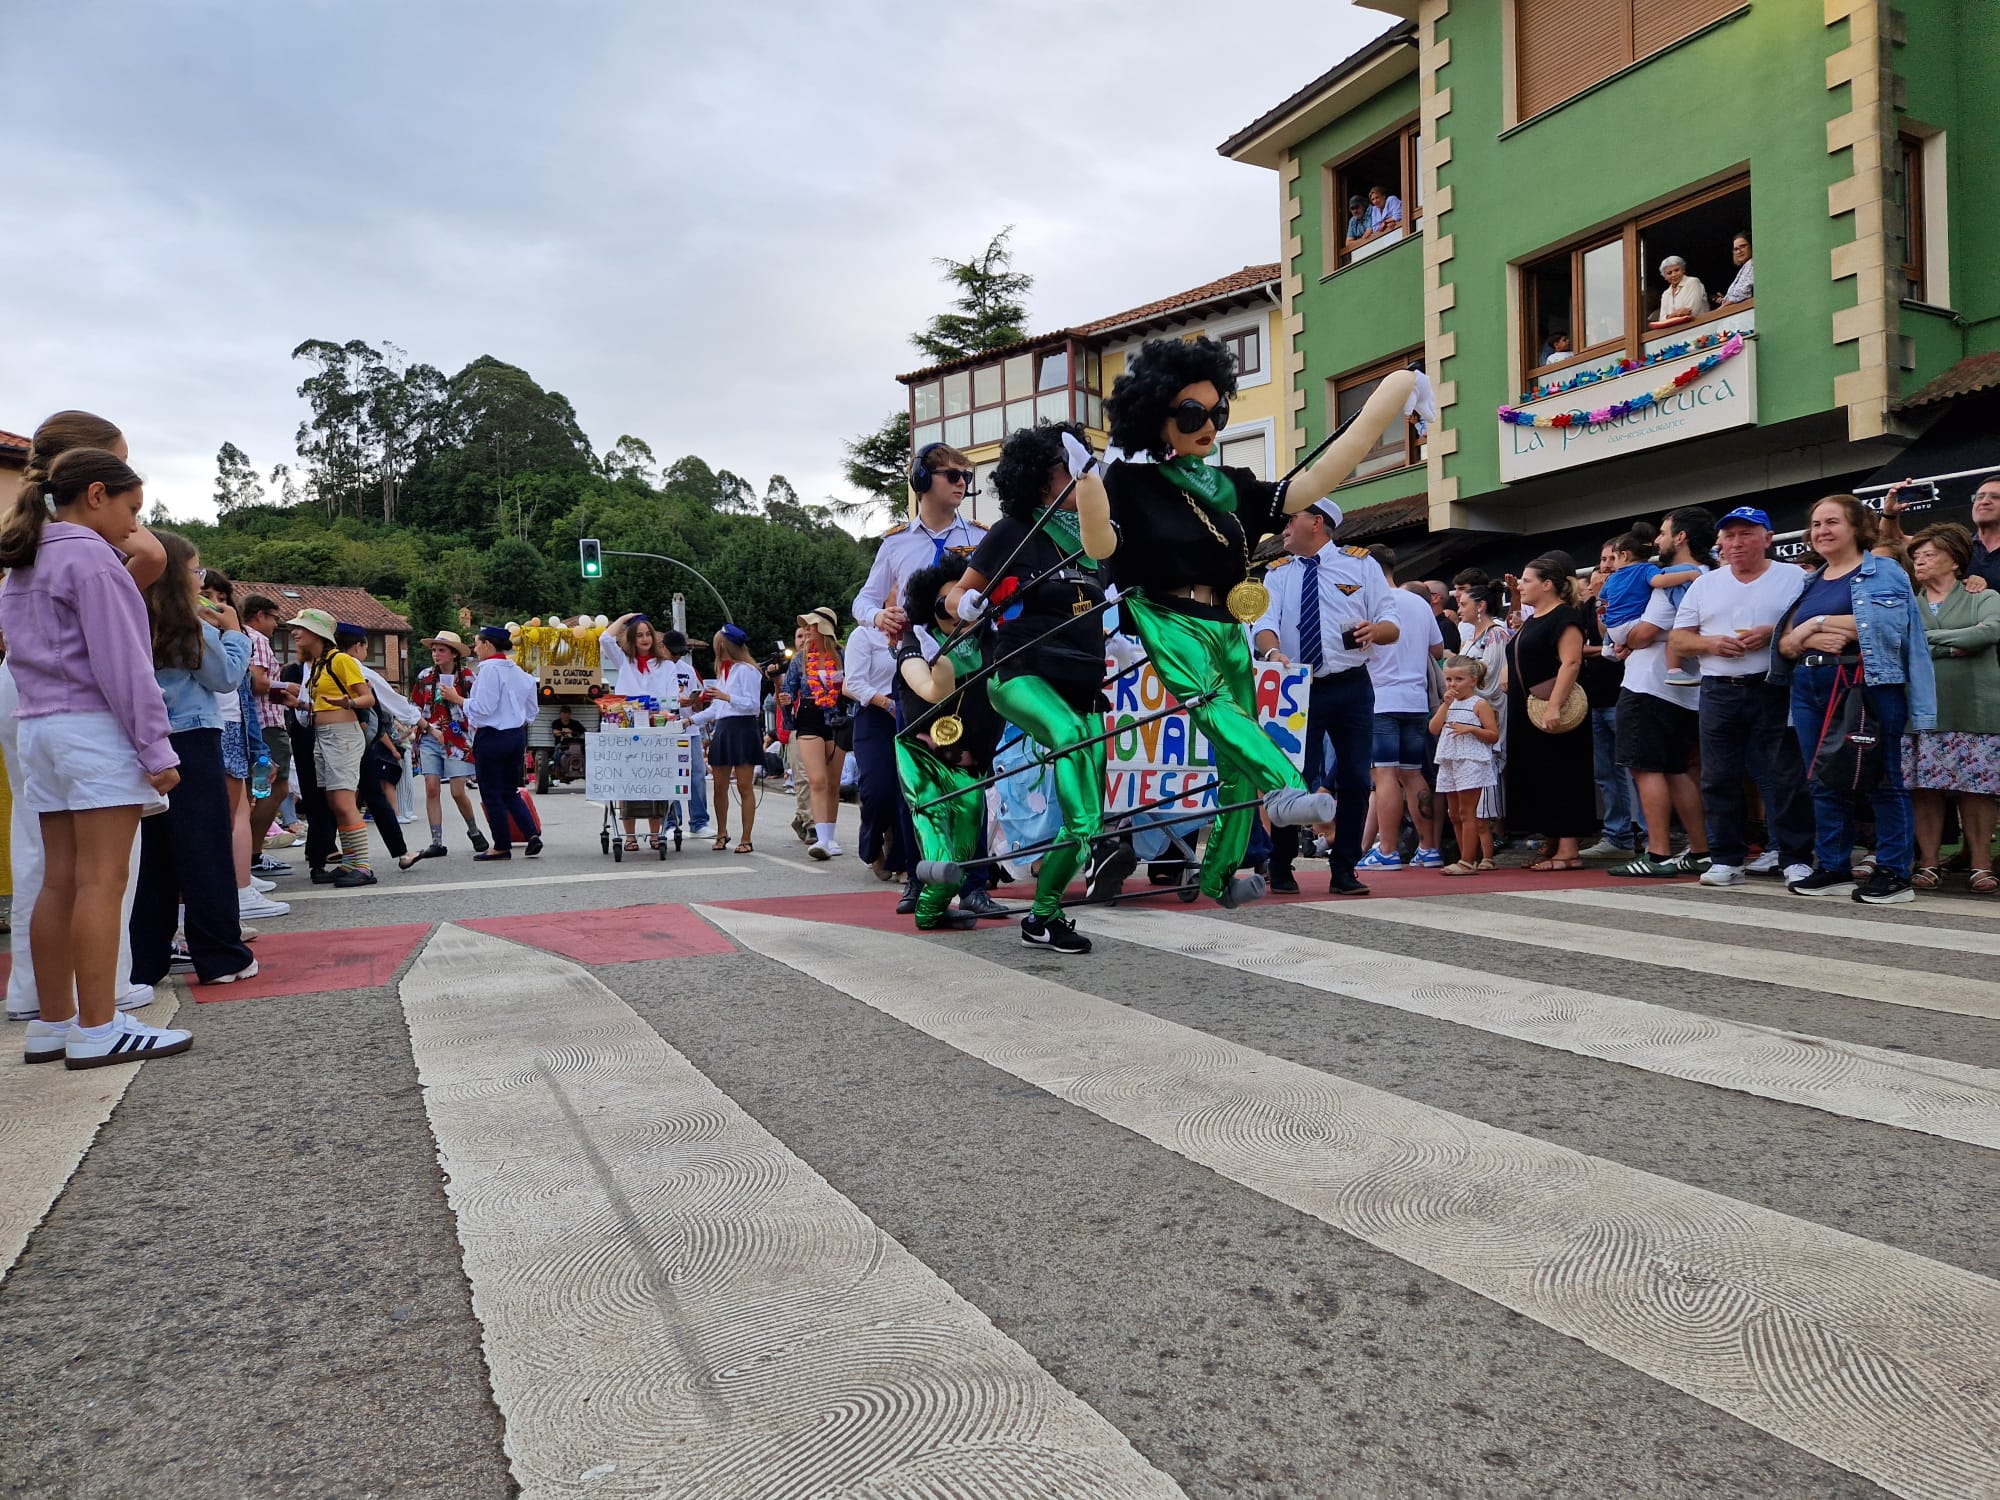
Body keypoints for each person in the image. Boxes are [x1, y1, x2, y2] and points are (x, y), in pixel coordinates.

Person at [1075, 335, 1415, 905]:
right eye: (1192, 413)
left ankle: (1218, 873)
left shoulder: (1228, 482)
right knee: (1211, 705)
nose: (1209, 423)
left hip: (1225, 622)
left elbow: (1311, 485)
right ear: (1155, 414)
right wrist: (1087, 488)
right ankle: (1284, 786)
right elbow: (1102, 546)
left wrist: (1388, 399)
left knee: (1235, 754)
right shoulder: (1128, 482)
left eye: (1218, 411)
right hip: (1162, 612)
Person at [0, 448, 192, 1065]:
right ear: (98, 494)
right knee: (102, 882)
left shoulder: (25, 561)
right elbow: (125, 666)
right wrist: (156, 748)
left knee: (57, 880)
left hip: (40, 729)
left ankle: (53, 1022)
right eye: (133, 510)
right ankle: (98, 1026)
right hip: (93, 730)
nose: (134, 526)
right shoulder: (93, 561)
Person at [952, 422, 1125, 952]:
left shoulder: (1098, 540)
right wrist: (962, 606)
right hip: (1020, 672)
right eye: (1067, 468)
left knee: (1088, 820)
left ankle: (1043, 918)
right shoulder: (1015, 531)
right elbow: (958, 595)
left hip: (1080, 684)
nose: (1079, 477)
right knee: (1072, 736)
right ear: (1040, 477)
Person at [1772, 495, 1936, 903]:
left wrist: (1816, 623)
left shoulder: (1884, 571)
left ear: (1856, 527)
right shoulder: (1810, 580)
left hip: (1867, 684)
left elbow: (1889, 622)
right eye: (1815, 524)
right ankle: (1834, 867)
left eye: (1832, 522)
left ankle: (1895, 874)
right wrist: (1807, 634)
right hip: (1810, 685)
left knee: (1883, 780)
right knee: (1823, 780)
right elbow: (1787, 645)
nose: (1821, 531)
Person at [1253, 499, 1401, 895]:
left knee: (1354, 778)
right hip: (1297, 685)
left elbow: (1391, 620)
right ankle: (1281, 865)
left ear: (1317, 523)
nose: (1284, 529)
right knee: (1291, 780)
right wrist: (1271, 653)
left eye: (1291, 520)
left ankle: (1344, 868)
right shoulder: (1277, 573)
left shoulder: (1360, 564)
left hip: (1351, 684)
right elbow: (1263, 625)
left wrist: (1376, 631)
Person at [132, 529, 258, 985]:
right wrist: (235, 632)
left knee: (155, 858)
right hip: (192, 738)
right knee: (204, 849)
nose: (200, 582)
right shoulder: (192, 624)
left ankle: (144, 960)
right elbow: (225, 677)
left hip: (145, 740)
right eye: (195, 571)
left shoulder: (131, 615)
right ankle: (222, 955)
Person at [1669, 506, 1815, 888]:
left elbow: (1812, 623)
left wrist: (1774, 631)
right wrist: (1710, 643)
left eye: (1746, 534)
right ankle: (1726, 857)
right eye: (1729, 536)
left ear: (1768, 538)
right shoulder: (1706, 584)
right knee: (1718, 776)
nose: (1736, 543)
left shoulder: (1794, 576)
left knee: (1786, 773)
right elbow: (1679, 640)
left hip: (1774, 684)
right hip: (1719, 688)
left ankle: (1795, 856)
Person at [894, 559, 1002, 932]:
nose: (958, 610)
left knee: (962, 855)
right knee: (944, 858)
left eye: (964, 599)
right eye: (946, 602)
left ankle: (934, 912)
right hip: (924, 762)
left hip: (968, 765)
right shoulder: (918, 641)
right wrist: (939, 674)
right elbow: (924, 685)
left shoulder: (990, 639)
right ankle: (929, 910)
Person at [1606, 508, 1715, 878]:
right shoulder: (1711, 576)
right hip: (1686, 689)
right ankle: (1700, 850)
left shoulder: (1671, 579)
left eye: (1665, 533)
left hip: (1648, 685)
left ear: (1681, 537)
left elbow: (1642, 633)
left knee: (1645, 767)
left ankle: (1658, 854)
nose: (1658, 541)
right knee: (1678, 770)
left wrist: (1624, 637)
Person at [1898, 523, 2000, 890]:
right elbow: (1902, 643)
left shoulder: (1982, 597)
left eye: (1929, 554)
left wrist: (1928, 643)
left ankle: (1981, 865)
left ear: (1954, 560)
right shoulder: (1909, 602)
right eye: (1917, 556)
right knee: (1924, 787)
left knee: (1977, 789)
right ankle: (1928, 862)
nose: (1920, 562)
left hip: (1974, 707)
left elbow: (1988, 632)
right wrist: (1954, 645)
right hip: (1922, 710)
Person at [1503, 552, 1597, 870]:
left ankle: (1569, 850)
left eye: (1527, 580)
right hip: (1527, 709)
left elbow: (1571, 662)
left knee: (1562, 773)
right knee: (1540, 774)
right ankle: (1554, 840)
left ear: (1547, 584)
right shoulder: (1533, 617)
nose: (1521, 585)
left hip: (1552, 710)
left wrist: (1554, 706)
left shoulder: (1565, 617)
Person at [1353, 548, 1444, 870]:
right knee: (1412, 772)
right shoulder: (1419, 602)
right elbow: (1437, 648)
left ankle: (1388, 851)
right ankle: (1429, 847)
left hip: (1381, 698)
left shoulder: (1367, 603)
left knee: (1385, 774)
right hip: (1416, 698)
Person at [288, 607, 382, 885]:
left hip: (342, 735)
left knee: (343, 800)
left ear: (318, 633)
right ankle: (351, 862)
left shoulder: (341, 660)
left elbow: (368, 699)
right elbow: (325, 703)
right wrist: (301, 705)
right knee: (333, 801)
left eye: (300, 628)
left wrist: (349, 703)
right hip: (325, 734)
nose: (294, 632)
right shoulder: (319, 663)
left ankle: (362, 866)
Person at [444, 626, 541, 861]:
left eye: (477, 644)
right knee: (509, 790)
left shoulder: (488, 670)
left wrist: (458, 699)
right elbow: (532, 711)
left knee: (491, 793)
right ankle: (531, 834)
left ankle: (501, 844)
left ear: (488, 645)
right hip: (515, 735)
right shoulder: (519, 672)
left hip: (492, 736)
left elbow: (483, 708)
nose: (475, 649)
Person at [333, 623, 417, 874]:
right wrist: (419, 719)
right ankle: (361, 862)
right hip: (352, 739)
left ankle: (322, 855)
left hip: (325, 738)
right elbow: (388, 699)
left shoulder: (317, 665)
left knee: (334, 799)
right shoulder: (354, 667)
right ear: (358, 646)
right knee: (364, 798)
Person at [404, 630, 490, 864]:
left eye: (441, 650)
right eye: (434, 650)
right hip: (430, 736)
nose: (436, 654)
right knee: (432, 787)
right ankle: (436, 841)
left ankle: (473, 830)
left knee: (457, 791)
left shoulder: (469, 678)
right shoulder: (424, 677)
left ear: (453, 654)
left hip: (458, 739)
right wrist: (423, 728)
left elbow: (478, 708)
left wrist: (456, 702)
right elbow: (414, 707)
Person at [598, 613, 676, 851]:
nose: (644, 639)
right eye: (639, 635)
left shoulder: (667, 666)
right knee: (627, 783)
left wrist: (659, 712)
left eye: (647, 635)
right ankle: (629, 836)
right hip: (627, 733)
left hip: (656, 732)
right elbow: (604, 639)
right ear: (632, 639)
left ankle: (655, 834)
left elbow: (671, 701)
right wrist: (626, 618)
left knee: (655, 783)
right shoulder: (625, 663)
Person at [842, 613, 910, 884]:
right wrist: (887, 704)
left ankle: (905, 860)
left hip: (910, 713)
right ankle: (872, 847)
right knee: (877, 790)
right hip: (874, 715)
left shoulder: (916, 633)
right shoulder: (864, 635)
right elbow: (853, 683)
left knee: (907, 791)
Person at [241, 594, 297, 875]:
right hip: (266, 727)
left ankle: (248, 854)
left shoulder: (241, 636)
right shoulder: (258, 640)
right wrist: (289, 687)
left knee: (263, 791)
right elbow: (258, 682)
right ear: (260, 615)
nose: (276, 625)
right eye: (275, 618)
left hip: (259, 723)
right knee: (272, 789)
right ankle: (251, 854)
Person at [694, 624, 763, 852]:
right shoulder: (724, 672)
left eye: (719, 646)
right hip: (723, 729)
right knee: (720, 786)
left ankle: (746, 837)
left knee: (744, 786)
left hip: (743, 729)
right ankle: (722, 832)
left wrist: (727, 696)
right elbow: (716, 709)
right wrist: (691, 720)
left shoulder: (747, 670)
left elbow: (753, 705)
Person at [789, 608, 850, 859]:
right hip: (809, 718)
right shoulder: (800, 659)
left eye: (811, 626)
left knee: (833, 784)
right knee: (817, 780)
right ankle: (821, 839)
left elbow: (853, 685)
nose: (806, 631)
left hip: (837, 718)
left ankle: (831, 837)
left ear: (824, 628)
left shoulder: (843, 656)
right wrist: (785, 701)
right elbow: (790, 690)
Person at [1430, 656, 1500, 874]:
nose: (1453, 685)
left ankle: (1468, 861)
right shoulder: (1449, 704)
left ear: (1472, 679)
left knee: (1466, 811)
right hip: (1450, 758)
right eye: (1449, 679)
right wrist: (1445, 704)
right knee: (1454, 813)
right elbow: (1433, 728)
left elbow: (1493, 735)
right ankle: (1464, 857)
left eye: (1458, 679)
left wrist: (1471, 729)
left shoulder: (1479, 704)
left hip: (1471, 759)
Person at [1882, 473, 2000, 595]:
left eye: (1995, 497)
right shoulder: (1958, 544)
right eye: (1979, 497)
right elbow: (1893, 541)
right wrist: (1890, 513)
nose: (1984, 501)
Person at [1654, 256, 1708, 324]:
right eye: (1669, 273)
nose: (1674, 274)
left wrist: (1669, 317)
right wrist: (1675, 314)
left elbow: (1691, 313)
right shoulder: (1665, 294)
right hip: (1674, 332)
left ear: (1683, 270)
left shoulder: (1692, 282)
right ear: (1665, 277)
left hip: (1698, 327)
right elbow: (1661, 320)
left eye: (1676, 270)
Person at [1714, 232, 1754, 307]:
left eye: (1742, 246)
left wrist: (1726, 304)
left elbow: (1744, 292)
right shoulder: (1745, 267)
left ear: (1751, 246)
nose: (1739, 251)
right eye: (1735, 249)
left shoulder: (1753, 263)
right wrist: (1725, 299)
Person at [550, 705, 585, 781]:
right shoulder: (556, 722)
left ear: (570, 714)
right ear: (560, 714)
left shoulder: (575, 723)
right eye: (563, 713)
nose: (565, 715)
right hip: (561, 744)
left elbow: (583, 731)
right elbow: (555, 732)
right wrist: (563, 732)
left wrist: (572, 732)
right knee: (557, 753)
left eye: (567, 713)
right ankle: (556, 769)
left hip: (575, 744)